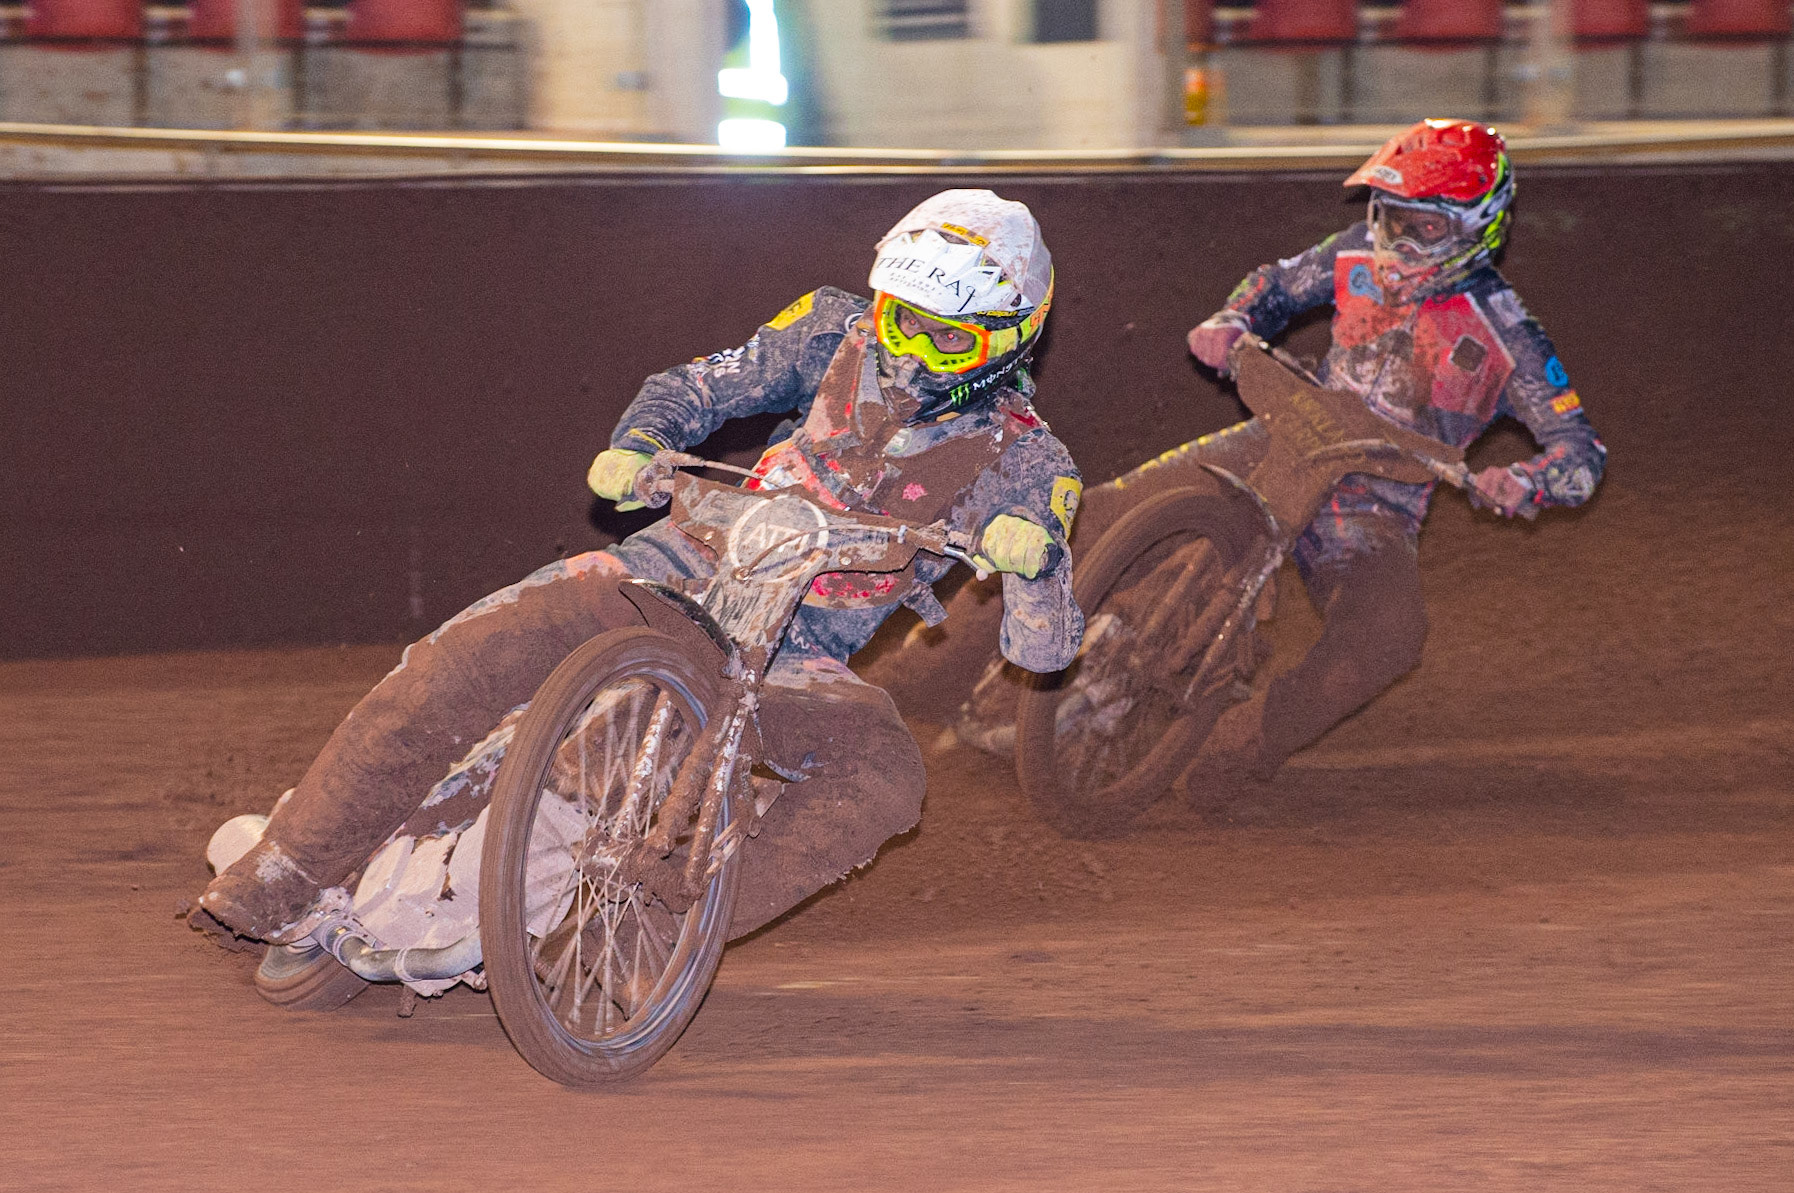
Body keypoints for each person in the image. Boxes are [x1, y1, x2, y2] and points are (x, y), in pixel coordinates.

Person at [194, 189, 1084, 943]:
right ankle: (286, 867)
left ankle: (657, 929)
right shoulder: (829, 330)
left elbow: (1043, 656)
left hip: (796, 653)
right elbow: (701, 384)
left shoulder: (1028, 461)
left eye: (948, 342)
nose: (908, 357)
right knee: (471, 650)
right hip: (676, 563)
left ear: (1011, 341)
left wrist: (1035, 565)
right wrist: (642, 442)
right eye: (898, 321)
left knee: (887, 776)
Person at [917, 119, 1604, 788]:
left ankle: (1239, 748)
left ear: (1477, 227)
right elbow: (1276, 282)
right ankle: (925, 671)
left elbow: (1579, 450)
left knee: (1388, 633)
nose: (1399, 238)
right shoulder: (1354, 252)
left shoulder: (1510, 335)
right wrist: (1233, 319)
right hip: (1283, 432)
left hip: (1370, 505)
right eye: (1393, 216)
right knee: (1082, 520)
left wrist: (1528, 481)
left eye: (1426, 226)